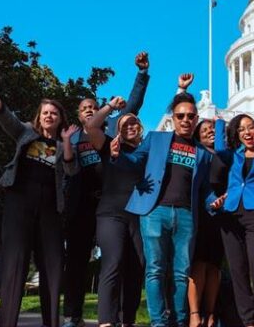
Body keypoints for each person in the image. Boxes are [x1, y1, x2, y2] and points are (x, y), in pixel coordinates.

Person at [0, 63, 79, 327]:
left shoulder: (65, 145)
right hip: (20, 203)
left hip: (51, 208)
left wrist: (65, 144)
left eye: (54, 113)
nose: (49, 116)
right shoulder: (25, 133)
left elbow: (72, 171)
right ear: (38, 117)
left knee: (53, 267)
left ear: (60, 118)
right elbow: (3, 113)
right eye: (45, 113)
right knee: (14, 265)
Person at [62, 52, 151, 327]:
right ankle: (73, 315)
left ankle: (124, 317)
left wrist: (141, 75)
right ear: (78, 115)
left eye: (92, 105)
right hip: (84, 204)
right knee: (77, 261)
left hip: (113, 202)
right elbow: (66, 170)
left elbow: (132, 107)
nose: (89, 109)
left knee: (123, 260)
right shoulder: (73, 138)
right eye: (84, 107)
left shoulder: (113, 130)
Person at [111, 90, 213, 327]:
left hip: (187, 216)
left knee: (181, 272)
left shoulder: (203, 154)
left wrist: (214, 201)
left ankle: (178, 320)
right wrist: (118, 156)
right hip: (155, 212)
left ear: (196, 118)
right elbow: (136, 161)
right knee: (155, 270)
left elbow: (205, 190)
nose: (186, 120)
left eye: (190, 116)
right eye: (180, 116)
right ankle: (158, 322)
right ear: (173, 117)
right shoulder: (156, 139)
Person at [206, 114, 254, 327]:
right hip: (231, 214)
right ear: (238, 134)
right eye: (242, 129)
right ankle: (249, 321)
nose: (247, 132)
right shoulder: (233, 155)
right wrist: (220, 122)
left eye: (251, 128)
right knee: (237, 270)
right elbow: (219, 148)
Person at [188, 117, 224, 327]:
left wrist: (220, 125)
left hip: (222, 213)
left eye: (213, 129)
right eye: (206, 129)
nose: (210, 131)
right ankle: (195, 313)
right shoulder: (197, 152)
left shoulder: (222, 153)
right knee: (199, 264)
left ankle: (210, 314)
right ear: (197, 134)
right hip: (202, 212)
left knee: (214, 266)